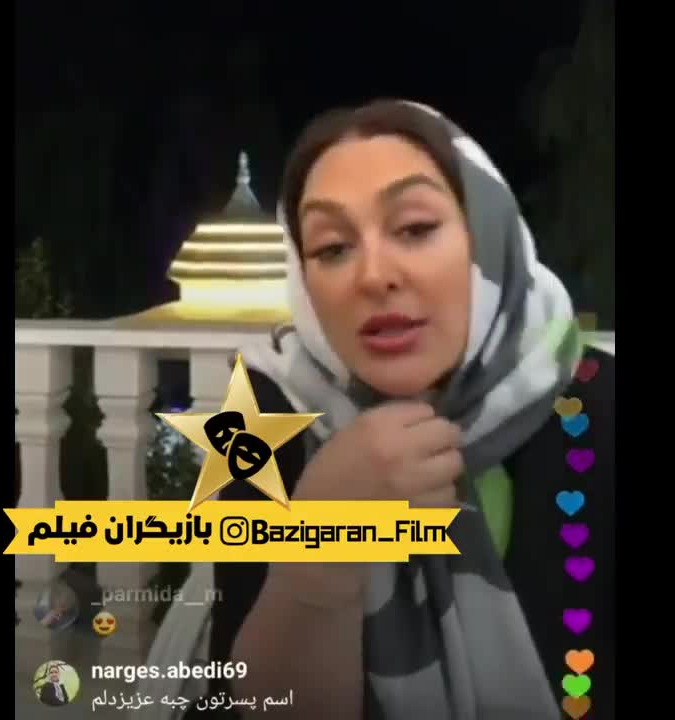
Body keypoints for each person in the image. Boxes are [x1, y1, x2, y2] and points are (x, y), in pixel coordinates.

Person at [197, 99, 614, 719]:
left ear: (488, 235)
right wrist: (319, 546)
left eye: (415, 229)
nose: (373, 276)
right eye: (332, 247)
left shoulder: (595, 405)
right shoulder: (264, 420)